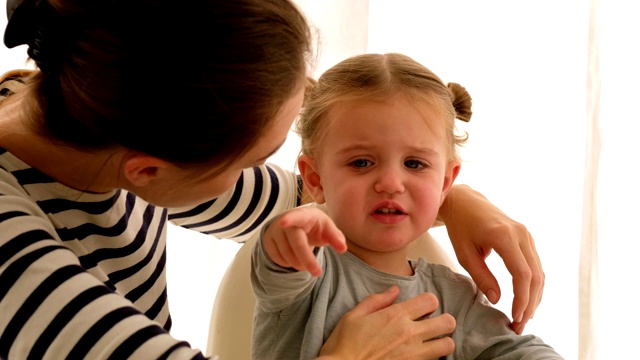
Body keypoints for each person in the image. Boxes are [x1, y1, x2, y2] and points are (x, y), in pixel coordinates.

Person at [0, 0, 541, 358]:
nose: (259, 179)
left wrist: (457, 200)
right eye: (246, 162)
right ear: (147, 171)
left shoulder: (95, 131)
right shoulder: (14, 252)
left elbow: (318, 198)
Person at [251, 53, 562, 359]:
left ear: (444, 183)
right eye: (361, 162)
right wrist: (286, 239)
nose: (390, 183)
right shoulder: (309, 272)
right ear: (315, 179)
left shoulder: (455, 297)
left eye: (414, 163)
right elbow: (279, 264)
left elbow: (518, 351)